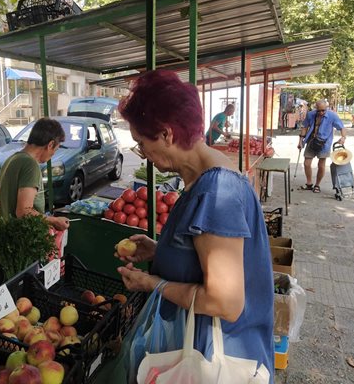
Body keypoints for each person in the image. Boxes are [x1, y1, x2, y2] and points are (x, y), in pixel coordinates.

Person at [116, 70, 274, 379]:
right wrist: (160, 251)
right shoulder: (207, 179)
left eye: (141, 143)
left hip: (215, 357)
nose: (143, 154)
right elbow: (206, 259)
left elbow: (224, 302)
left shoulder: (217, 194)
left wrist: (152, 283)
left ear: (167, 135)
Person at [0, 117, 70, 231]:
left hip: (6, 236)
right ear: (50, 144)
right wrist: (54, 220)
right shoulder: (30, 165)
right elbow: (24, 211)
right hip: (23, 241)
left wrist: (9, 219)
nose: (53, 154)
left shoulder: (11, 159)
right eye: (55, 150)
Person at [298, 99, 347, 193]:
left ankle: (317, 185)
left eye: (323, 110)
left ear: (326, 108)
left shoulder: (332, 116)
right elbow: (304, 127)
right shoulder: (310, 114)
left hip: (325, 143)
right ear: (316, 108)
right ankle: (309, 183)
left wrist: (343, 137)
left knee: (321, 165)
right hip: (311, 141)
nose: (321, 112)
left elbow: (342, 127)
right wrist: (300, 141)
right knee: (306, 163)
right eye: (319, 110)